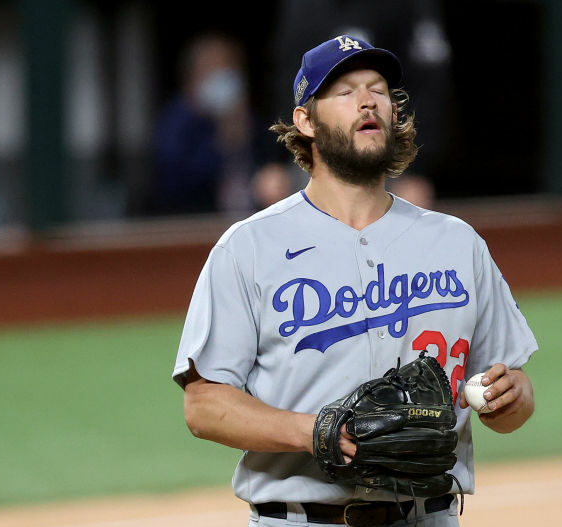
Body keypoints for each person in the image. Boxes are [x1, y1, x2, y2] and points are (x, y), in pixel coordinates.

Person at [172, 35, 538, 527]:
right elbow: (205, 404)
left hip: (429, 515)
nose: (367, 100)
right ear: (306, 121)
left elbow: (513, 394)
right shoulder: (249, 247)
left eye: (378, 90)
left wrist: (510, 398)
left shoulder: (457, 243)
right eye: (344, 92)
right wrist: (311, 432)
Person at [152, 33, 261, 215]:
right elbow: (173, 183)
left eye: (230, 66)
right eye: (214, 67)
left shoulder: (248, 118)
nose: (223, 74)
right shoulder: (176, 123)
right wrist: (222, 142)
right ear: (193, 74)